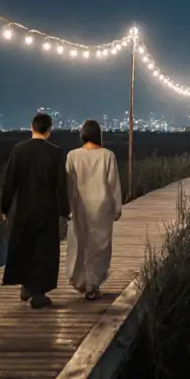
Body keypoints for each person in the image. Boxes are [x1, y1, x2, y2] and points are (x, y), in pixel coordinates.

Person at [0, 112, 70, 309]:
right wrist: (65, 211)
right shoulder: (55, 152)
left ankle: (26, 285)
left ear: (32, 127)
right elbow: (61, 186)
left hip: (23, 207)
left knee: (24, 246)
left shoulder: (18, 150)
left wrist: (5, 207)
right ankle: (38, 292)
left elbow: (9, 181)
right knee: (43, 250)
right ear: (49, 130)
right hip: (47, 208)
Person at [65, 119, 122, 300]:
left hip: (80, 205)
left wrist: (68, 207)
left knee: (80, 243)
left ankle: (81, 280)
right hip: (102, 206)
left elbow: (69, 185)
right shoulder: (108, 155)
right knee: (99, 246)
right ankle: (93, 284)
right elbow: (113, 183)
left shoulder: (73, 155)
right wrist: (117, 206)